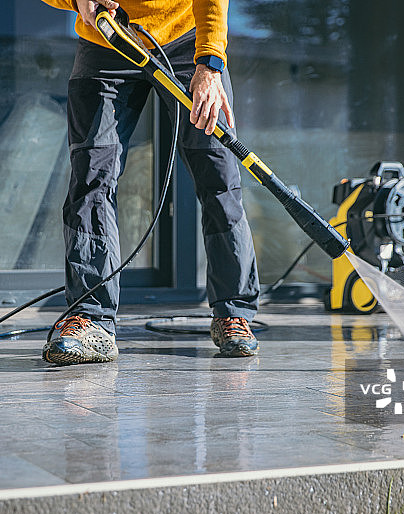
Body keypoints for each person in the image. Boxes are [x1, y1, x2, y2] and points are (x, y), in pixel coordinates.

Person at [41, 0, 260, 365]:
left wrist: (210, 63)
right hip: (106, 40)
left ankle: (233, 311)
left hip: (186, 41)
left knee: (218, 177)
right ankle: (91, 318)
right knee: (92, 179)